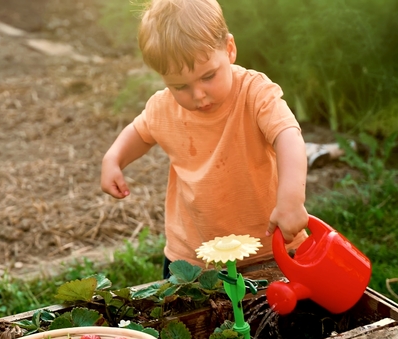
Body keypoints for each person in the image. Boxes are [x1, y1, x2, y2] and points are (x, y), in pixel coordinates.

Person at [100, 0, 309, 278]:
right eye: (180, 86)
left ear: (229, 49)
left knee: (290, 305)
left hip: (273, 248)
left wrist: (291, 200)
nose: (198, 94)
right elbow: (140, 131)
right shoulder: (164, 107)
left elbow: (288, 135)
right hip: (195, 257)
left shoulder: (254, 93)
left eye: (208, 76)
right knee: (191, 307)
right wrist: (114, 158)